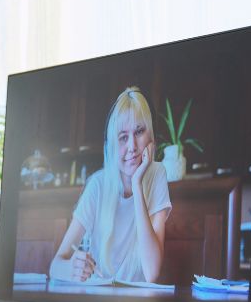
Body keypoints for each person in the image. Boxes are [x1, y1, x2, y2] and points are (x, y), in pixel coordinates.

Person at [49, 86, 171, 284]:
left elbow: (152, 272)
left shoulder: (157, 174)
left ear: (151, 138)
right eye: (123, 137)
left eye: (139, 132)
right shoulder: (97, 185)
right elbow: (55, 266)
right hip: (99, 300)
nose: (132, 146)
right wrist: (71, 269)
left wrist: (137, 184)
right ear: (112, 145)